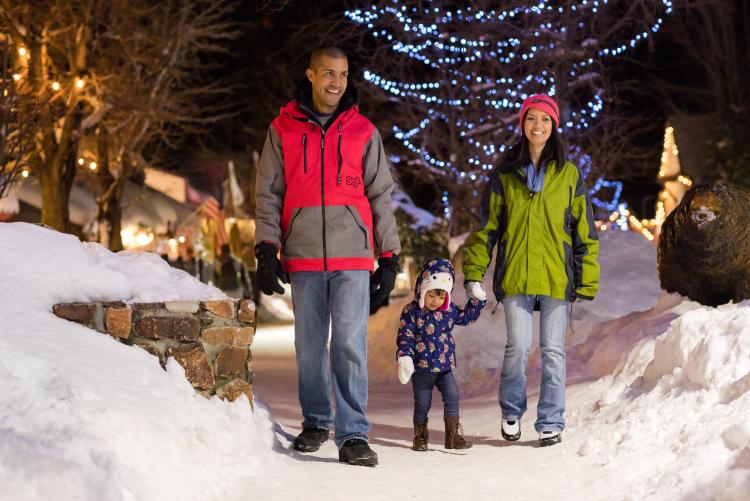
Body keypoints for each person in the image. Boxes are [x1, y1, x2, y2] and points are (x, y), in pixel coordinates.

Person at [254, 44, 401, 466]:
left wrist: (388, 256)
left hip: (352, 256)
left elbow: (380, 194)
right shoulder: (282, 129)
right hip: (302, 254)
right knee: (309, 346)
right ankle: (316, 421)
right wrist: (267, 248)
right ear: (311, 75)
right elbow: (268, 193)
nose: (336, 82)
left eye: (343, 74)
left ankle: (353, 432)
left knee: (350, 346)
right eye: (328, 74)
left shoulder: (363, 131)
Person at [462, 94, 600, 447]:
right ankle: (511, 411)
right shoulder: (506, 175)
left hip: (556, 277)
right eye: (531, 119)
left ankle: (551, 421)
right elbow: (486, 229)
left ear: (553, 126)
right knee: (518, 347)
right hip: (516, 275)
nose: (537, 125)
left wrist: (587, 277)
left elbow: (585, 232)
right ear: (522, 125)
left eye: (544, 119)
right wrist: (474, 272)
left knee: (553, 350)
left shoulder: (569, 176)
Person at [396, 258, 486, 451]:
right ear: (422, 290)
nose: (435, 301)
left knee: (452, 395)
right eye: (431, 295)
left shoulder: (449, 311)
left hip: (444, 367)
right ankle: (420, 436)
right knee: (423, 402)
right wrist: (405, 356)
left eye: (441, 296)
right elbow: (406, 336)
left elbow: (467, 317)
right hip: (421, 369)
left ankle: (452, 436)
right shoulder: (412, 312)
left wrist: (477, 299)